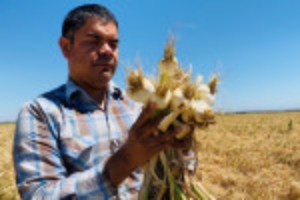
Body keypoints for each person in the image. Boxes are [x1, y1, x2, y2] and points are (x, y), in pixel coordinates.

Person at [13, 4, 194, 200]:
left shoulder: (139, 107)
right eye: (94, 41)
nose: (107, 51)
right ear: (66, 47)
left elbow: (174, 176)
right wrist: (124, 160)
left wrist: (181, 151)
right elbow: (38, 195)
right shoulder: (40, 112)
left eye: (113, 44)